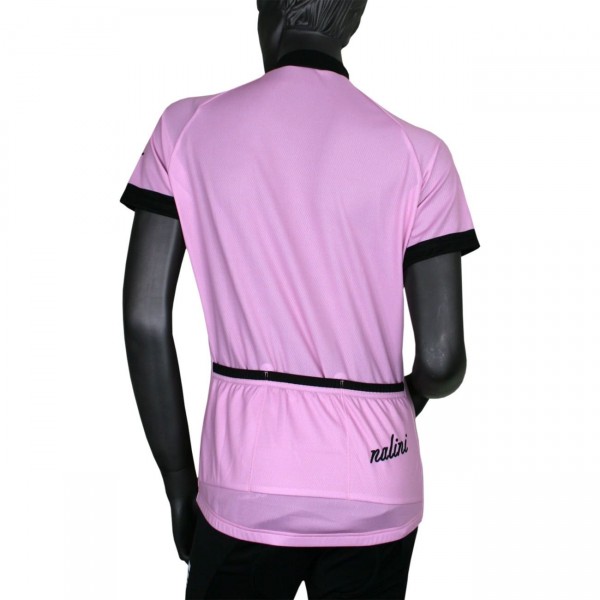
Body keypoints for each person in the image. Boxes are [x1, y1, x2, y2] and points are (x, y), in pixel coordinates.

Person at [119, 0, 480, 597]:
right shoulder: (422, 154)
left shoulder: (186, 129)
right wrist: (395, 407)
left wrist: (179, 481)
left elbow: (144, 320)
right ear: (352, 22)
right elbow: (443, 363)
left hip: (246, 477)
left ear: (274, 16)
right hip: (380, 478)